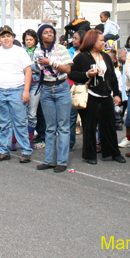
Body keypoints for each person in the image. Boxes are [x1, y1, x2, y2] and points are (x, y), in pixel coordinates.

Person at [70, 30, 125, 165]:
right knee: (89, 126)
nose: (104, 43)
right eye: (101, 40)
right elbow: (71, 74)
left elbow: (112, 77)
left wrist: (116, 94)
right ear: (92, 41)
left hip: (106, 95)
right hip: (90, 95)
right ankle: (90, 155)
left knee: (109, 126)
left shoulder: (106, 57)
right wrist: (86, 74)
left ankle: (112, 153)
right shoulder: (82, 57)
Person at [0, 25, 34, 163]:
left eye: (8, 36)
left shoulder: (20, 51)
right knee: (3, 123)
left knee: (20, 122)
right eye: (3, 36)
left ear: (13, 37)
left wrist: (26, 91)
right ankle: (4, 150)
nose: (6, 39)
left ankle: (26, 150)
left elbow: (28, 71)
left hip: (17, 90)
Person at [33, 23, 73, 172]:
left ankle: (62, 162)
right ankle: (49, 160)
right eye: (46, 32)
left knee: (63, 127)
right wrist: (40, 64)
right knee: (50, 127)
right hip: (46, 89)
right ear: (40, 36)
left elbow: (67, 69)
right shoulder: (38, 51)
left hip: (62, 88)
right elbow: (37, 67)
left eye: (52, 32)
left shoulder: (61, 49)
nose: (50, 34)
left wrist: (50, 62)